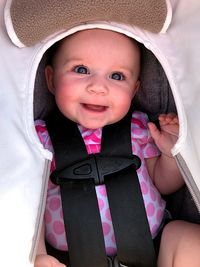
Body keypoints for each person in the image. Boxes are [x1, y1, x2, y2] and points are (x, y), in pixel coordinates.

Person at [34, 29, 200, 267]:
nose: (98, 87)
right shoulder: (41, 139)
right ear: (51, 79)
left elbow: (163, 183)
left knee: (186, 238)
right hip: (67, 260)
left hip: (153, 251)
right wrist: (38, 254)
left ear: (134, 90)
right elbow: (30, 205)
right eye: (81, 70)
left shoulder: (139, 129)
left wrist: (170, 155)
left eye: (117, 76)